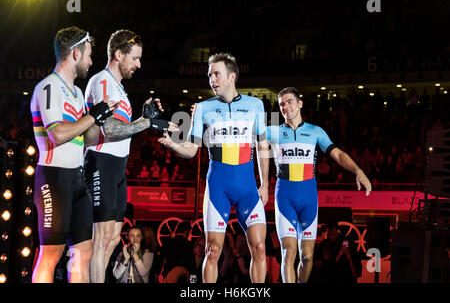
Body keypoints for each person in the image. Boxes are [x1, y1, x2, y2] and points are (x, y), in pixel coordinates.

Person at [158, 53, 270, 283]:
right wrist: (172, 144)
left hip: (247, 189)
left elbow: (263, 146)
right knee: (213, 250)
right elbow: (191, 150)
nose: (212, 79)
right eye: (209, 75)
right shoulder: (202, 108)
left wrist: (266, 184)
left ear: (232, 76)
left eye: (216, 74)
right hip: (217, 187)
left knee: (259, 248)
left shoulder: (256, 105)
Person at [83, 29, 177, 283]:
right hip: (101, 161)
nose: (139, 64)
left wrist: (144, 118)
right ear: (118, 54)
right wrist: (145, 123)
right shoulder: (101, 81)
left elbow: (124, 127)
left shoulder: (120, 89)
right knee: (101, 239)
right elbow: (110, 129)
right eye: (135, 58)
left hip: (117, 166)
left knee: (114, 238)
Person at [30, 27, 116, 283]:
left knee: (84, 252)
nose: (91, 62)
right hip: (53, 179)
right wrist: (92, 116)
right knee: (52, 253)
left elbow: (85, 139)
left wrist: (100, 120)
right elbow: (57, 134)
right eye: (89, 55)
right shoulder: (48, 86)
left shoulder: (78, 93)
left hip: (77, 179)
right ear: (76, 53)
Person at [266, 87, 371, 283]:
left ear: (300, 103)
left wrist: (359, 171)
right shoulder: (273, 131)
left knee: (307, 256)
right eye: (281, 104)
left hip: (309, 200)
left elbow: (338, 154)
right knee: (288, 251)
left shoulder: (315, 132)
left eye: (289, 101)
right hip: (285, 198)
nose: (285, 106)